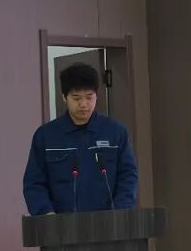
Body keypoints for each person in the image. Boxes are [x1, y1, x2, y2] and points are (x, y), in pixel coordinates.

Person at [23, 62, 138, 215]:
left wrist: (120, 212)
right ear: (64, 97)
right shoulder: (46, 136)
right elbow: (34, 182)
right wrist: (46, 214)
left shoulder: (116, 132)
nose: (84, 104)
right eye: (76, 98)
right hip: (60, 224)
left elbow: (128, 176)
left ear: (97, 95)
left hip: (109, 223)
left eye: (89, 97)